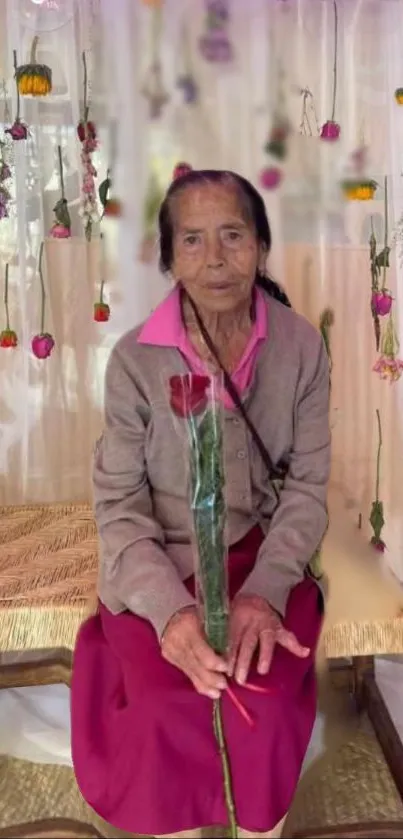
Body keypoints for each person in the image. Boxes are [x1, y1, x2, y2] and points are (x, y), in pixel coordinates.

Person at [71, 166, 331, 839]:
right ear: (168, 258)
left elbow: (305, 486)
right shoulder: (134, 360)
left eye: (232, 235)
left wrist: (267, 590)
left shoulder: (300, 346)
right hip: (161, 559)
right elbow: (120, 506)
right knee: (163, 700)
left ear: (260, 245)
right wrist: (169, 612)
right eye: (191, 240)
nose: (214, 258)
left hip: (257, 554)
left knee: (262, 698)